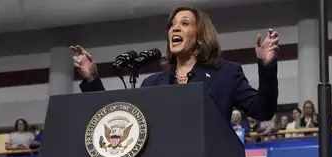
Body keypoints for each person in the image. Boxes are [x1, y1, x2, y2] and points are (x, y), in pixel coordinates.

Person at [69, 5, 279, 124]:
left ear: (199, 37)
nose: (174, 29)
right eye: (172, 25)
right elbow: (118, 120)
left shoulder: (227, 73)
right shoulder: (152, 84)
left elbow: (263, 111)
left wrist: (267, 67)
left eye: (184, 24)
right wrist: (92, 80)